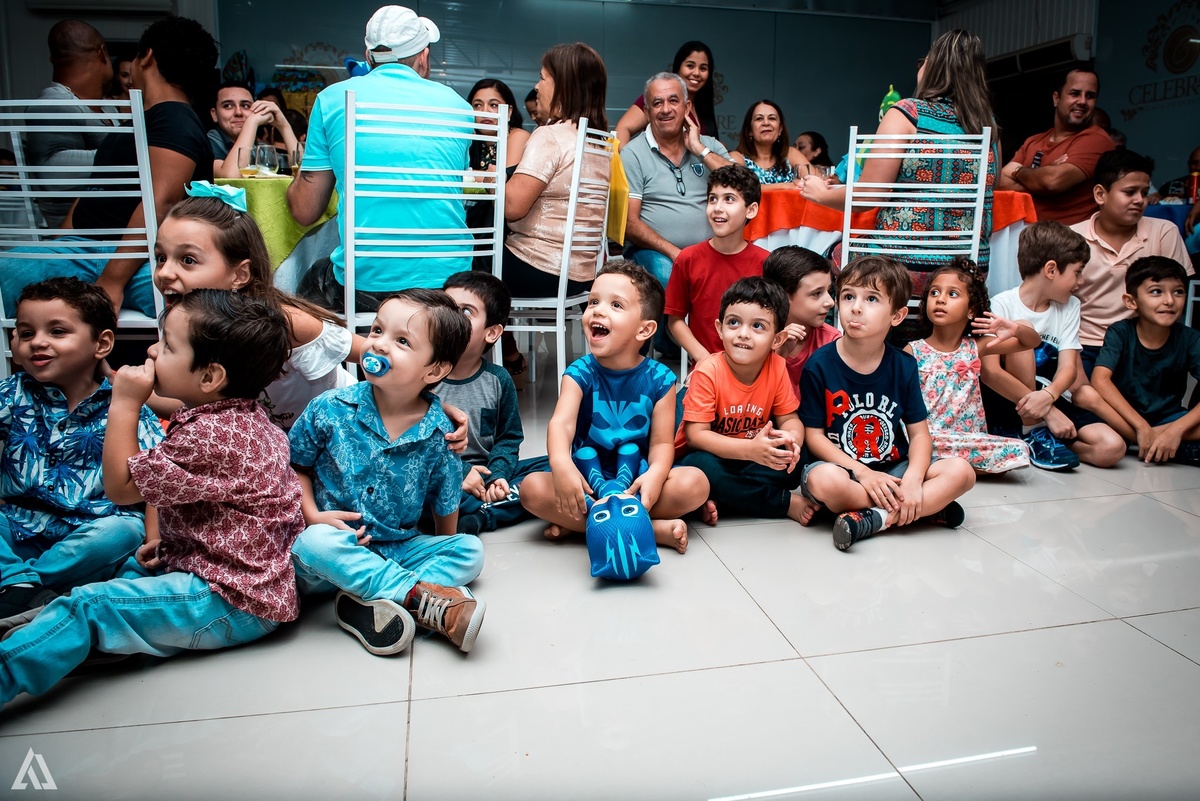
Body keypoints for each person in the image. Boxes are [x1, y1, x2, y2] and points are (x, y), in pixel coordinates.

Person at [0, 289, 303, 707]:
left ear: (209, 377)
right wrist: (174, 542)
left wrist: (124, 402)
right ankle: (32, 632)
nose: (152, 349)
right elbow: (233, 513)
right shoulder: (240, 418)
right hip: (228, 577)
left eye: (167, 345)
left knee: (93, 605)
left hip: (232, 601)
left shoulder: (209, 436)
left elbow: (120, 488)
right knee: (118, 578)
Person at [288, 289, 486, 656]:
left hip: (397, 548)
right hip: (334, 545)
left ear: (436, 369)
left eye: (402, 341)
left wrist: (442, 546)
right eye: (377, 330)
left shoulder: (439, 432)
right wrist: (312, 515)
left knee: (470, 550)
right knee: (310, 542)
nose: (377, 345)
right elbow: (295, 465)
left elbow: (445, 505)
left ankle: (369, 598)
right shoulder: (329, 407)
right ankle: (417, 596)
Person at [0, 16, 218, 318]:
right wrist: (61, 242)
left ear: (147, 56)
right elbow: (91, 191)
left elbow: (161, 201)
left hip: (115, 254)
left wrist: (111, 283)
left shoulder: (174, 117)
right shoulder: (146, 119)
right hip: (87, 247)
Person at [800, 29, 1000, 325]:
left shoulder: (909, 113)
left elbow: (869, 194)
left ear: (935, 68)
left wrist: (820, 193)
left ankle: (842, 354)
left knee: (834, 255)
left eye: (924, 61)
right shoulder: (988, 127)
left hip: (904, 266)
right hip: (967, 268)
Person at [289, 5, 472, 314]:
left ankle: (351, 356)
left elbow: (305, 211)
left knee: (312, 276)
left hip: (365, 289)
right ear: (423, 57)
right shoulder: (458, 105)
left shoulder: (333, 98)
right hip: (448, 285)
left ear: (369, 54)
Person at [518, 260, 709, 553]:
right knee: (530, 489)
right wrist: (561, 465)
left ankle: (585, 527)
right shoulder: (579, 372)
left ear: (644, 330)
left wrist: (656, 475)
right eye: (593, 301)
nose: (598, 309)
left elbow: (660, 442)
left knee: (695, 483)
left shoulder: (661, 379)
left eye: (616, 305)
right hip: (588, 481)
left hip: (635, 482)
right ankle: (649, 529)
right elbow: (561, 425)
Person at [0, 278, 164, 619]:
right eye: (26, 333)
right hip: (18, 525)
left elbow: (155, 483)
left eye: (57, 331)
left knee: (124, 531)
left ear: (101, 343)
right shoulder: (12, 393)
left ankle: (20, 586)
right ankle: (25, 587)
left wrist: (154, 539)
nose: (37, 343)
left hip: (88, 533)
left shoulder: (124, 406)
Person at [799, 255, 976, 551]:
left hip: (894, 469)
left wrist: (913, 479)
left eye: (871, 299)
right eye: (848, 296)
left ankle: (876, 518)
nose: (856, 307)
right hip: (845, 473)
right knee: (825, 482)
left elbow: (919, 434)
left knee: (962, 472)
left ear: (897, 315)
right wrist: (863, 473)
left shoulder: (904, 365)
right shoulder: (818, 366)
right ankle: (923, 510)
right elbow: (814, 437)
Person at [150, 184, 362, 428]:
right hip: (266, 445)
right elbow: (191, 404)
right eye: (161, 258)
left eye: (188, 260)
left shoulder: (286, 322)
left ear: (240, 275)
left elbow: (371, 352)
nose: (164, 272)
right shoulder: (186, 329)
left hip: (339, 433)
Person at [499, 42, 611, 379]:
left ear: (564, 85)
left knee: (460, 268)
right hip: (579, 273)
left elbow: (512, 207)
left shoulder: (550, 136)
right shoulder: (599, 141)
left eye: (543, 77)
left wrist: (492, 178)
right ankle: (507, 356)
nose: (536, 87)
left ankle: (491, 370)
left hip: (537, 268)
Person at [981, 222, 1126, 470]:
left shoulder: (1070, 306)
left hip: (1052, 395)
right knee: (1025, 330)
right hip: (1012, 401)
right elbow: (989, 372)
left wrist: (1048, 398)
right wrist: (1046, 412)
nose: (1079, 282)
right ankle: (1034, 429)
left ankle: (1040, 441)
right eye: (1077, 272)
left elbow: (1068, 368)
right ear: (1051, 269)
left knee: (1112, 448)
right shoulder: (1001, 305)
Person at [676, 277, 817, 525]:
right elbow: (696, 436)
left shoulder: (776, 366)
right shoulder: (708, 370)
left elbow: (789, 419)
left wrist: (791, 441)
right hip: (711, 456)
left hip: (752, 458)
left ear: (777, 340)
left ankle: (723, 497)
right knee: (700, 467)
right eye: (734, 323)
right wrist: (749, 450)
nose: (743, 334)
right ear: (720, 328)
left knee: (798, 461)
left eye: (758, 326)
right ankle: (780, 503)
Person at [437, 271, 548, 533]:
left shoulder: (498, 380)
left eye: (465, 311)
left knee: (558, 466)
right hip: (441, 471)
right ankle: (488, 511)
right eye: (445, 308)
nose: (452, 317)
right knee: (424, 485)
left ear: (492, 332)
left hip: (487, 472)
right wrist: (460, 472)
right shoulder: (423, 375)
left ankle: (482, 511)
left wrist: (498, 475)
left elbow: (508, 439)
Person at [905, 260, 1034, 474]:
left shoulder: (976, 347)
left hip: (969, 438)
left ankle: (942, 465)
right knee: (918, 441)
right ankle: (943, 464)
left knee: (1018, 449)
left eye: (952, 294)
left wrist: (1014, 328)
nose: (941, 300)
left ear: (971, 310)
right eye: (934, 293)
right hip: (928, 436)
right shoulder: (913, 350)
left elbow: (1031, 342)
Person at [1069, 149, 1190, 373]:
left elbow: (1175, 292)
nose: (1140, 201)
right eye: (1130, 192)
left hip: (1144, 344)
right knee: (1086, 404)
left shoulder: (1164, 232)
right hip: (1084, 345)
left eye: (1144, 192)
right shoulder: (1071, 238)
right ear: (1100, 194)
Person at [621, 72, 732, 292]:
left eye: (673, 101)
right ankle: (668, 328)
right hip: (654, 253)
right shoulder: (632, 154)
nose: (665, 109)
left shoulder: (709, 146)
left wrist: (700, 150)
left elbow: (743, 185)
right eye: (657, 103)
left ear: (687, 107)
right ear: (647, 111)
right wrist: (676, 253)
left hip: (711, 250)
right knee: (666, 275)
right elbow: (630, 224)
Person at [1089, 257, 1200, 466]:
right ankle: (1145, 438)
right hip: (1123, 418)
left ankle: (1156, 439)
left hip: (1169, 419)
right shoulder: (1121, 332)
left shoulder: (1190, 338)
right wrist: (1140, 426)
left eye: (1178, 291)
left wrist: (1175, 430)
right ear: (1131, 301)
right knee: (1086, 397)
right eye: (1156, 292)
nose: (1169, 300)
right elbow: (1100, 380)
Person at [665, 164, 767, 366]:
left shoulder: (766, 262)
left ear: (751, 210)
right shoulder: (688, 258)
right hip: (707, 369)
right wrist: (705, 359)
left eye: (729, 199)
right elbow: (675, 321)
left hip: (754, 370)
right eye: (712, 199)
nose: (717, 207)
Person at [23, 20, 114, 229]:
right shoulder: (53, 103)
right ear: (102, 53)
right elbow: (52, 171)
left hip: (108, 229)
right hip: (80, 240)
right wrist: (127, 152)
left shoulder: (107, 108)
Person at [997, 69, 1116, 225]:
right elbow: (999, 182)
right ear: (1056, 98)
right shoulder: (1033, 141)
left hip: (1069, 242)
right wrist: (1041, 183)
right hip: (1027, 238)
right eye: (1075, 93)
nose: (1082, 101)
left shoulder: (1096, 139)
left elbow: (1052, 181)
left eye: (1090, 96)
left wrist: (1019, 171)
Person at [761, 246, 839, 400]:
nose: (830, 302)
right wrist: (780, 355)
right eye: (817, 294)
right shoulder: (756, 337)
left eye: (829, 291)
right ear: (783, 295)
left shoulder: (831, 342)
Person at [615, 41, 718, 147]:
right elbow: (623, 128)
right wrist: (626, 161)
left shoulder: (703, 106)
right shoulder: (657, 98)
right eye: (690, 66)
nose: (696, 73)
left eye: (703, 68)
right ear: (678, 67)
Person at [209, 82, 299, 179]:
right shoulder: (207, 143)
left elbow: (305, 171)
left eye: (246, 106)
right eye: (228, 106)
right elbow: (231, 177)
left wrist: (284, 126)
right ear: (214, 115)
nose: (238, 112)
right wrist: (251, 122)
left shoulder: (259, 148)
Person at [729, 100, 812, 184]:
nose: (766, 123)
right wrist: (788, 186)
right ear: (750, 130)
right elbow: (740, 189)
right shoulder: (737, 158)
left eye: (772, 118)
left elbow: (816, 182)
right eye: (759, 118)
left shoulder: (790, 154)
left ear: (780, 129)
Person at [467, 78, 530, 169]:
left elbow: (504, 178)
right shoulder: (469, 139)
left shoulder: (519, 136)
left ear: (509, 111)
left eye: (493, 105)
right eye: (478, 105)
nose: (485, 112)